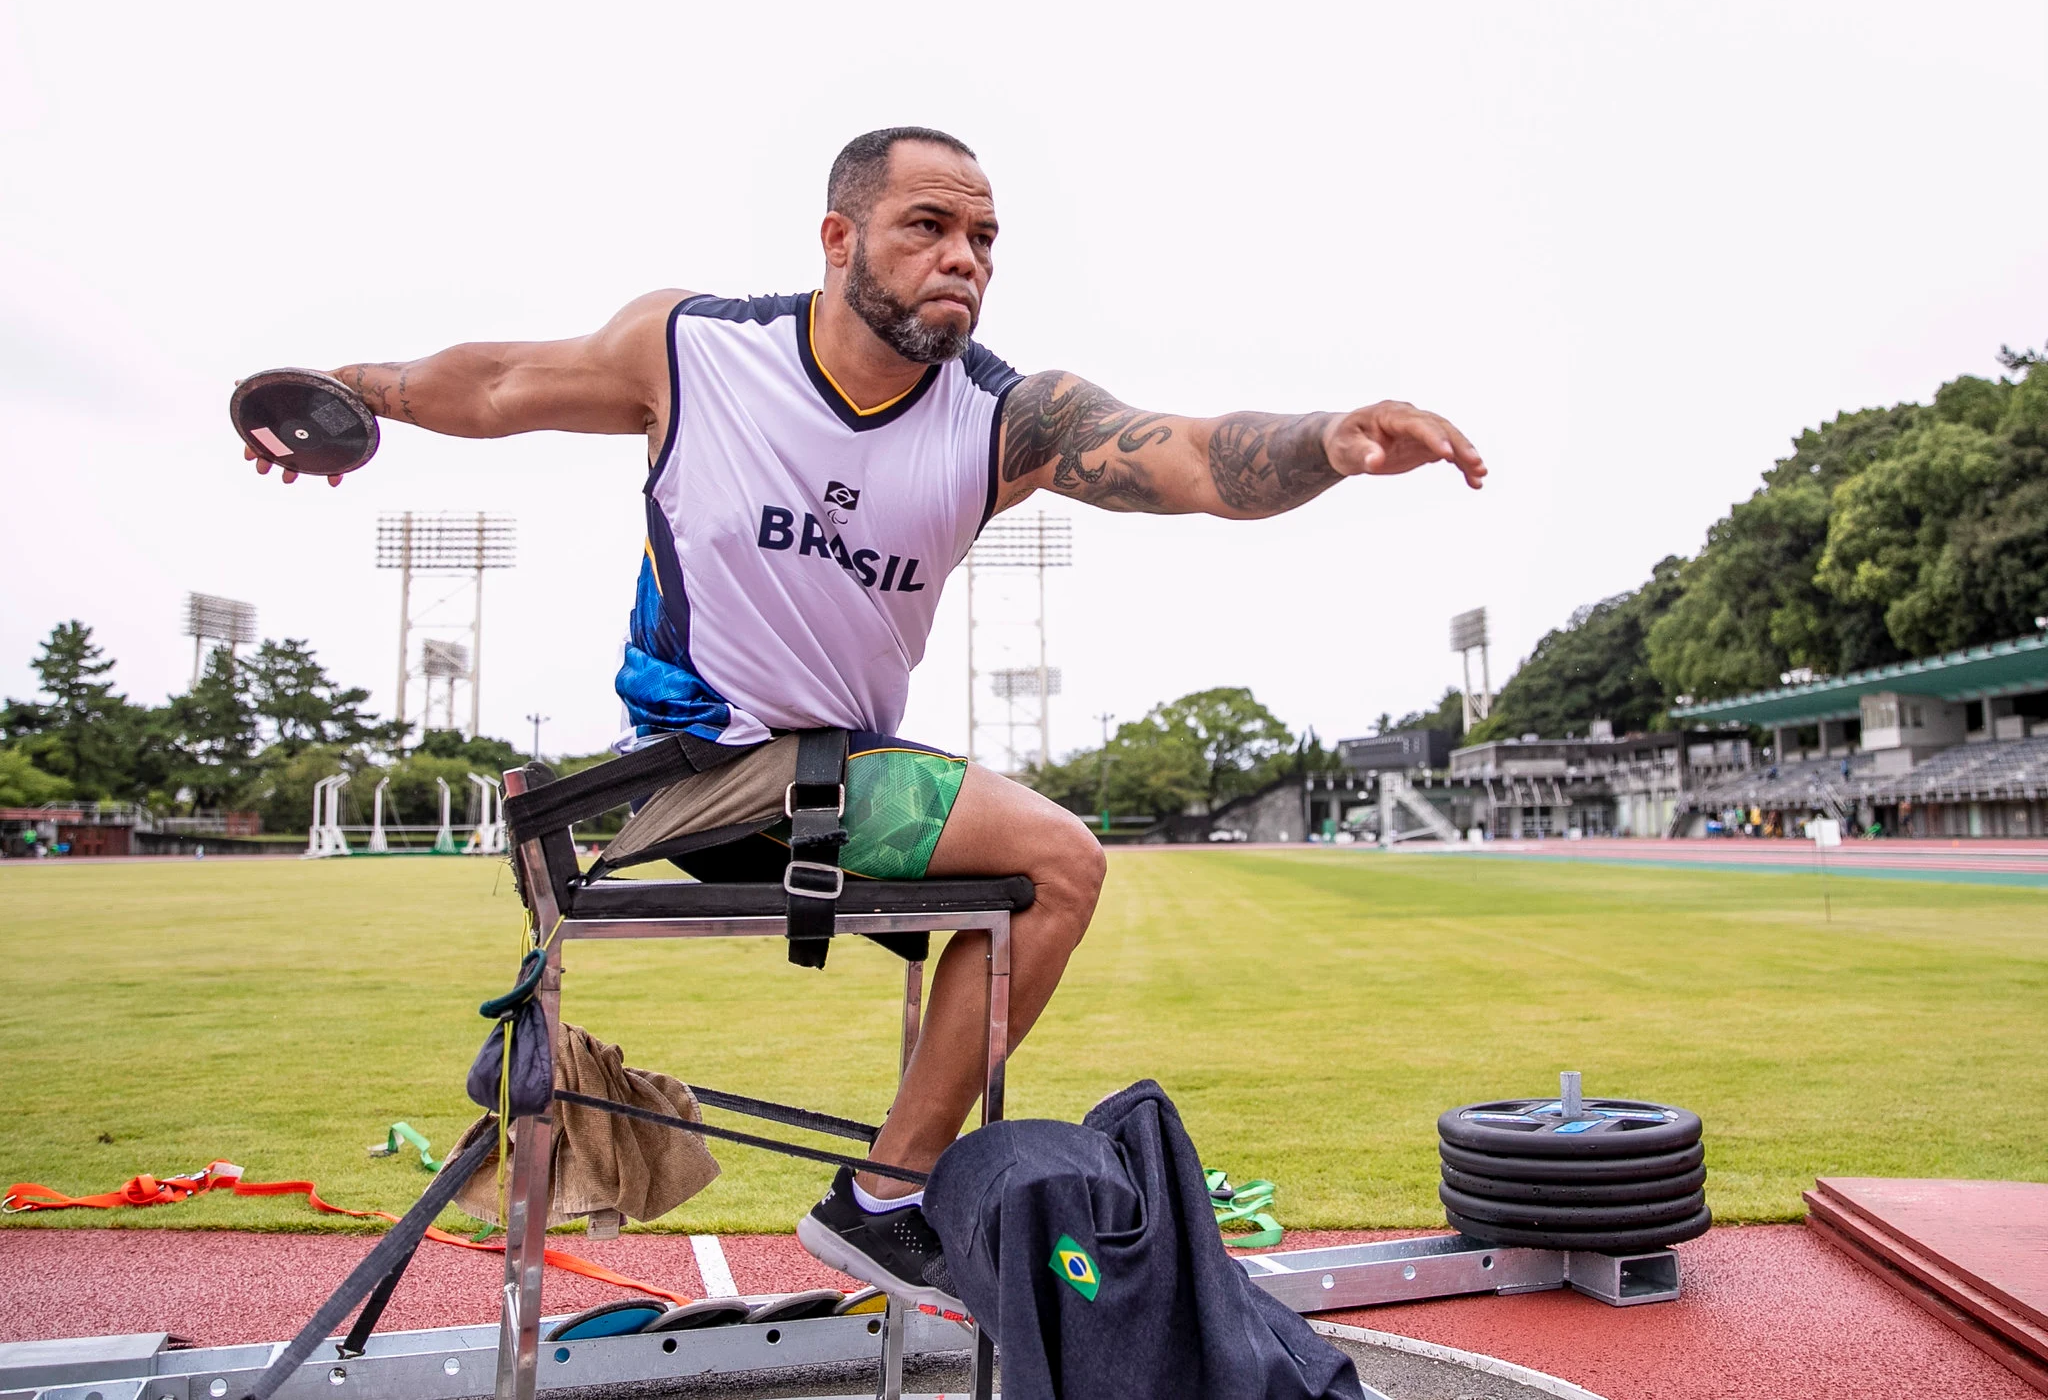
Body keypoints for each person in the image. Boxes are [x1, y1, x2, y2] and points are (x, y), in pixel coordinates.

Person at [243, 125, 1486, 1308]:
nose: (965, 258)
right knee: (1060, 859)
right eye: (929, 226)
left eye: (986, 238)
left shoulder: (1005, 417)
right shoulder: (694, 350)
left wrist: (1328, 437)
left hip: (831, 776)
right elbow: (503, 378)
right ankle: (883, 1197)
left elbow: (1191, 458)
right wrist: (344, 397)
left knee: (1042, 869)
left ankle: (885, 1190)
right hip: (699, 766)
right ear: (836, 240)